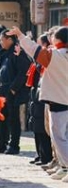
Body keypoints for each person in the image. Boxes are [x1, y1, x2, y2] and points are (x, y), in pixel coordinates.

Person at [10, 26, 68, 182]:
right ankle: (63, 167)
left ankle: (66, 166)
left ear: (58, 39)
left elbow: (33, 49)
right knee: (61, 136)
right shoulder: (56, 54)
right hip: (62, 99)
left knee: (59, 137)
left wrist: (21, 36)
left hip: (58, 100)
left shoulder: (53, 55)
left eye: (53, 36)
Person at [0, 29, 31, 155]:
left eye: (2, 40)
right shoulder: (3, 52)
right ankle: (1, 143)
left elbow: (23, 72)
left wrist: (13, 89)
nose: (0, 42)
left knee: (13, 119)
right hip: (2, 89)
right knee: (1, 118)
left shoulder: (18, 51)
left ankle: (13, 145)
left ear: (10, 40)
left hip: (12, 91)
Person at [25, 34, 53, 166]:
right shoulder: (38, 58)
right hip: (35, 93)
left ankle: (45, 156)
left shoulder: (48, 57)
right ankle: (39, 154)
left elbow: (41, 69)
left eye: (39, 44)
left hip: (43, 95)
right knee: (36, 127)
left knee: (43, 129)